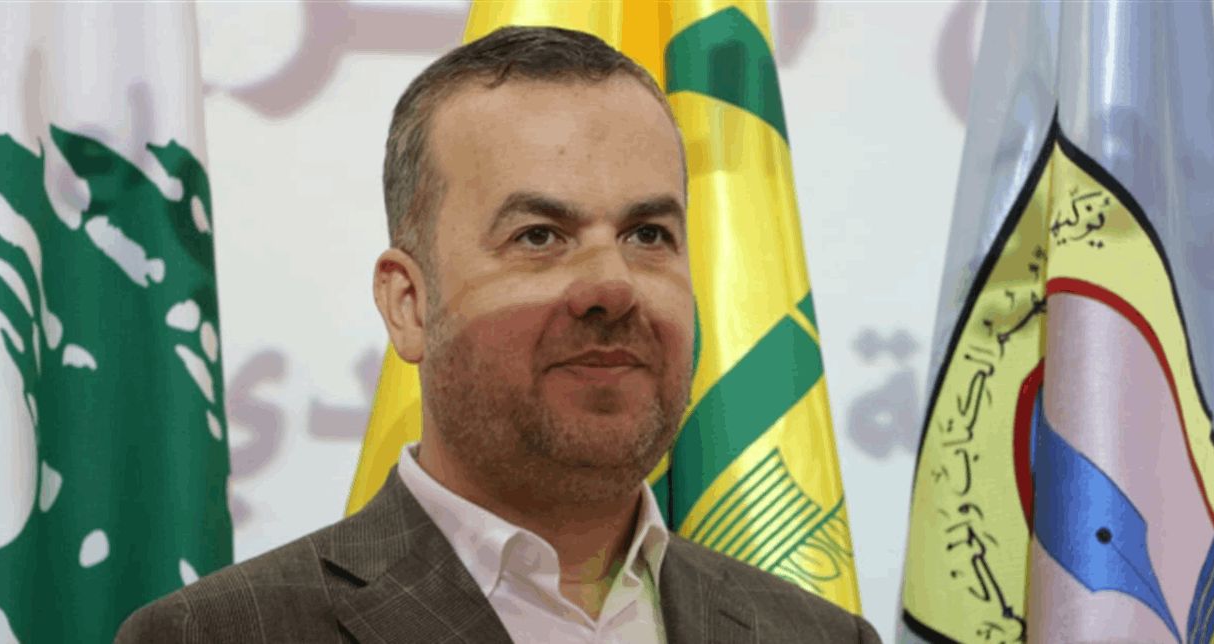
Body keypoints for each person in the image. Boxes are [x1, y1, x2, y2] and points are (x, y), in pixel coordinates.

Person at [117, 26, 880, 644]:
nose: (612, 287)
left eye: (648, 234)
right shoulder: (214, 636)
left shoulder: (817, 636)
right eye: (539, 236)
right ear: (409, 305)